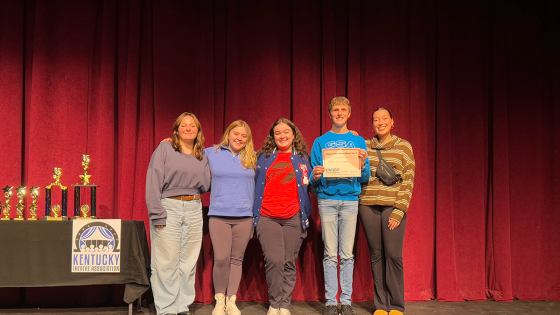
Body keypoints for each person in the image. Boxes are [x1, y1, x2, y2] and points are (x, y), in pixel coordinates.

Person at [310, 97, 370, 315]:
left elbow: (365, 176)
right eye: (335, 109)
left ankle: (346, 301)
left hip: (350, 201)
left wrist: (362, 164)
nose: (339, 112)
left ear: (349, 113)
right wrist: (315, 175)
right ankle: (330, 303)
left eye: (343, 109)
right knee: (329, 254)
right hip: (326, 200)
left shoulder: (358, 141)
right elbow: (313, 177)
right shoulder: (320, 142)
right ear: (329, 113)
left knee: (346, 255)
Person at [146, 112, 211, 315]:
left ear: (198, 131)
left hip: (194, 208)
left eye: (193, 126)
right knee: (165, 262)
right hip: (169, 207)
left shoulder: (202, 154)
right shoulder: (165, 148)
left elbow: (207, 184)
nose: (188, 128)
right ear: (176, 129)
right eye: (183, 125)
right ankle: (166, 309)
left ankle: (182, 307)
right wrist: (157, 213)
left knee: (188, 263)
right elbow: (154, 180)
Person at [253, 119, 313, 315]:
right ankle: (274, 303)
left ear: (293, 134)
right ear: (273, 136)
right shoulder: (263, 157)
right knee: (274, 259)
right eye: (277, 133)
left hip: (294, 216)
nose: (282, 136)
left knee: (288, 261)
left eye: (286, 132)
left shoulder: (303, 158)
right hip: (267, 216)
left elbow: (311, 184)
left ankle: (284, 305)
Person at [359, 108, 415, 315]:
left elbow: (408, 180)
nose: (380, 122)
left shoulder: (404, 147)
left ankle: (397, 306)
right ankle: (381, 305)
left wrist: (399, 210)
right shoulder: (364, 146)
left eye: (384, 119)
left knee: (393, 255)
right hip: (368, 204)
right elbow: (358, 173)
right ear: (372, 124)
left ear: (393, 122)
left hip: (393, 205)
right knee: (376, 255)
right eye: (376, 119)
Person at [205, 120, 257, 315]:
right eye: (236, 134)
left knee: (237, 259)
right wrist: (169, 143)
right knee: (221, 258)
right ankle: (219, 300)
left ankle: (231, 300)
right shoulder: (212, 152)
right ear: (228, 134)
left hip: (244, 216)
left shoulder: (253, 156)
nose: (240, 138)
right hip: (219, 215)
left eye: (244, 136)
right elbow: (188, 154)